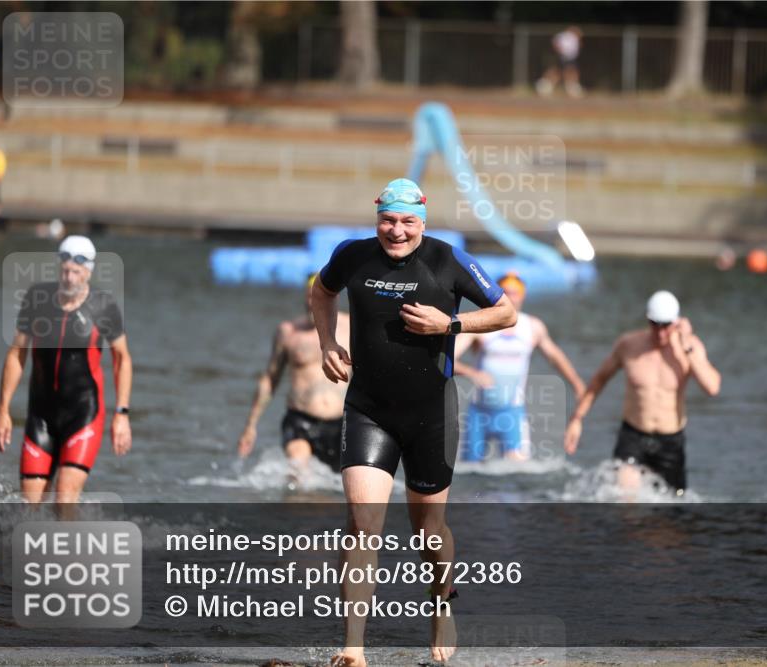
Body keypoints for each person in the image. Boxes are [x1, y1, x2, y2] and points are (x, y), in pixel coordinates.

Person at [310, 178, 516, 666]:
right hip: (368, 410)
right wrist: (327, 343)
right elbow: (322, 293)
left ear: (422, 220)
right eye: (387, 219)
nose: (396, 231)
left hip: (431, 415)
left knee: (429, 533)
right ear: (376, 216)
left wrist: (451, 325)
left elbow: (505, 313)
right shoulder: (352, 255)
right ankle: (353, 648)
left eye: (406, 222)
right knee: (362, 526)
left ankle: (442, 604)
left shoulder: (448, 261)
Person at [0, 235, 132, 504]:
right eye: (65, 270)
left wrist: (122, 413)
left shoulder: (104, 306)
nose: (69, 277)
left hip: (83, 414)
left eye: (76, 272)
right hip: (41, 415)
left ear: (88, 271)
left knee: (64, 498)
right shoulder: (37, 299)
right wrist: (3, 410)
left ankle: (71, 544)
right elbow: (16, 353)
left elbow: (122, 359)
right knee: (29, 509)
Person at [563, 291, 721, 494]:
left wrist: (687, 344)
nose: (660, 332)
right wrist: (577, 418)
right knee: (627, 500)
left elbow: (712, 387)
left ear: (677, 323)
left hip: (670, 440)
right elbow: (599, 380)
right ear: (648, 320)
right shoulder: (629, 345)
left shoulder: (689, 348)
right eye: (655, 324)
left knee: (672, 512)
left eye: (666, 325)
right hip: (633, 436)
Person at [453, 272, 586, 462]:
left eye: (514, 293)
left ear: (522, 295)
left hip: (512, 412)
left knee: (518, 470)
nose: (510, 297)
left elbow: (556, 358)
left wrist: (578, 386)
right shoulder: (480, 326)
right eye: (504, 292)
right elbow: (450, 357)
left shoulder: (532, 327)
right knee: (471, 471)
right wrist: (472, 372)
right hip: (479, 413)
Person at [237, 274, 350, 474]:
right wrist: (250, 425)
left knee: (338, 487)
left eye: (318, 296)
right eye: (309, 296)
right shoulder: (288, 332)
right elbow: (270, 379)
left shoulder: (351, 327)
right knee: (299, 473)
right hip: (300, 420)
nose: (312, 302)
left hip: (341, 423)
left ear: (333, 298)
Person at [535, 26, 584, 98]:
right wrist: (560, 51)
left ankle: (572, 87)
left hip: (570, 58)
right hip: (563, 57)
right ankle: (544, 85)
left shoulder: (575, 38)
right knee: (558, 71)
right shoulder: (564, 35)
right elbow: (555, 42)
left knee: (571, 71)